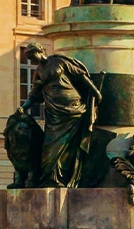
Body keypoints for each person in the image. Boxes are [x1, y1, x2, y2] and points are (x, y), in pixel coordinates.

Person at [14, 43, 100, 187]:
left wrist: (95, 91)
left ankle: (64, 178)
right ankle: (53, 179)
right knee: (49, 149)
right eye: (28, 57)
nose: (30, 59)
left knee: (69, 146)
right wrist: (23, 107)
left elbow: (80, 75)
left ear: (39, 51)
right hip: (54, 114)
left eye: (31, 55)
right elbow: (34, 94)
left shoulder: (59, 61)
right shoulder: (38, 71)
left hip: (73, 109)